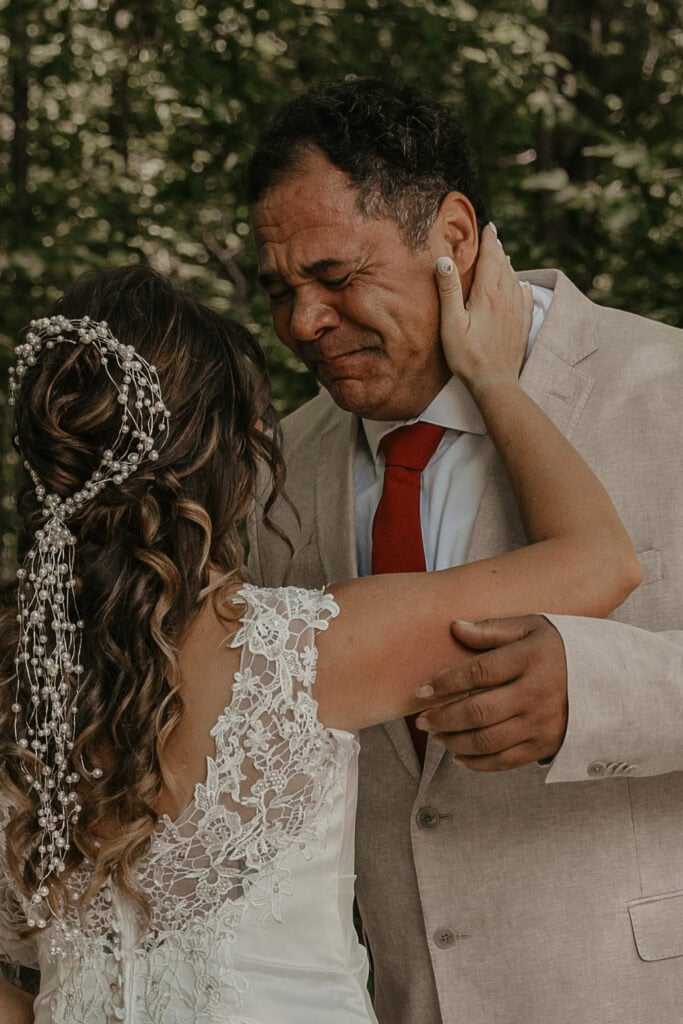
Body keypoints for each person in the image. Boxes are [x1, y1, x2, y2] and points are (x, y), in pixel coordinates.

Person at [0, 244, 638, 1023]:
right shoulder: (299, 654)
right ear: (226, 453)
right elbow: (599, 562)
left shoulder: (13, 683)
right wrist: (495, 379)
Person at [245, 77, 683, 1024]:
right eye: (280, 290)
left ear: (449, 236)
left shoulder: (667, 388)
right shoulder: (275, 466)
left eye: (335, 277)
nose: (302, 324)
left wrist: (599, 691)